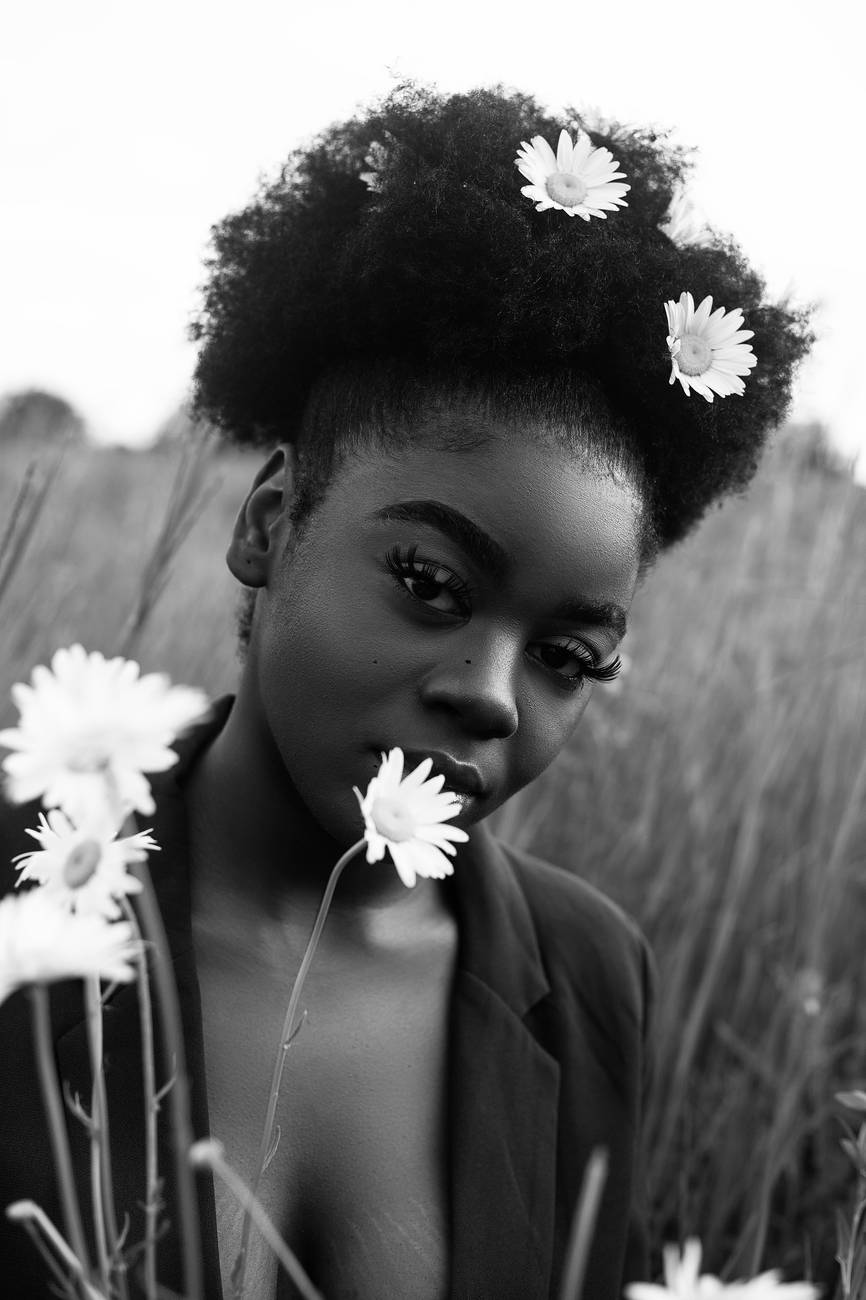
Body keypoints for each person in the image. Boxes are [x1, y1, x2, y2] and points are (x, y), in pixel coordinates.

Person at [0, 84, 810, 1299]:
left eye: (566, 656)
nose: (489, 697)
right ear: (271, 524)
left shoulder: (588, 974)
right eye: (430, 582)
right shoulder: (28, 896)